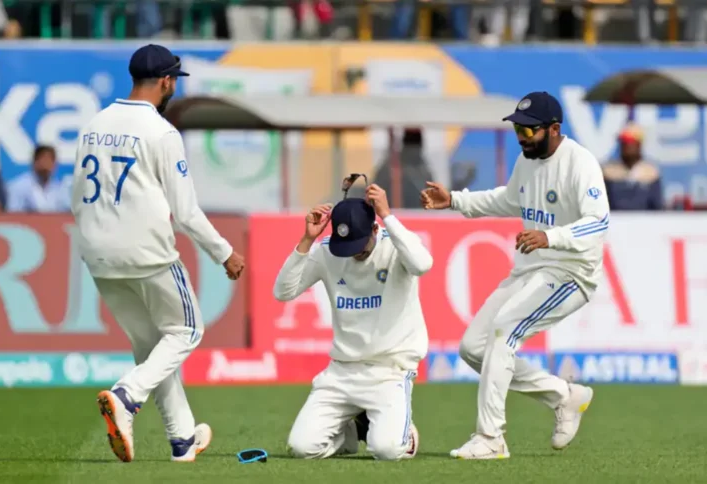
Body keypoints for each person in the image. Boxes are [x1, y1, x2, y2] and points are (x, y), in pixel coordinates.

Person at [70, 44, 245, 463]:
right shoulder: (161, 131)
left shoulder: (94, 123)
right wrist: (224, 253)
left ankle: (182, 438)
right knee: (186, 331)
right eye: (173, 83)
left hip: (97, 252)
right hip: (146, 252)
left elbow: (76, 193)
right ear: (167, 81)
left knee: (152, 349)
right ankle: (126, 397)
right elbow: (184, 212)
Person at [420, 92, 608, 459]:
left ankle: (491, 439)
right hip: (530, 269)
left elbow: (598, 222)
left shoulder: (580, 162)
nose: (521, 136)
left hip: (571, 272)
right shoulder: (527, 161)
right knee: (472, 347)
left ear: (554, 129)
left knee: (505, 329)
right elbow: (508, 200)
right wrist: (456, 201)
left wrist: (549, 237)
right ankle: (564, 396)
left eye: (529, 129)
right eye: (517, 128)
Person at [274, 178, 431, 461]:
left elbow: (422, 264)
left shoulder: (395, 246)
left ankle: (406, 435)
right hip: (341, 372)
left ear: (375, 228)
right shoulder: (327, 250)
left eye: (360, 244)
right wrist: (307, 240)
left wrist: (387, 215)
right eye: (347, 245)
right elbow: (283, 292)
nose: (354, 253)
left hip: (390, 369)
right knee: (301, 448)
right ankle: (348, 432)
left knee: (387, 450)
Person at [602, 123, 664, 211]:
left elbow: (657, 206)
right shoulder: (609, 172)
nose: (628, 147)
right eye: (625, 143)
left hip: (644, 222)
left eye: (631, 142)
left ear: (639, 145)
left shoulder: (650, 173)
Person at [7, 145, 70, 213]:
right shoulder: (19, 186)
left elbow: (67, 212)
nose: (46, 164)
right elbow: (13, 214)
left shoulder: (59, 188)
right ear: (35, 162)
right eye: (44, 159)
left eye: (50, 160)